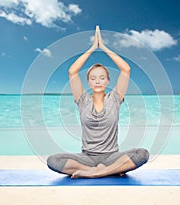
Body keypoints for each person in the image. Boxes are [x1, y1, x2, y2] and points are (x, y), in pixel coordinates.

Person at [47, 25, 149, 178]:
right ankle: (102, 171)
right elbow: (72, 71)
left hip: (111, 157)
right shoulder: (82, 100)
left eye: (102, 78)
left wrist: (104, 47)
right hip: (86, 158)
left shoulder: (115, 98)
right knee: (53, 160)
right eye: (93, 78)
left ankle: (98, 173)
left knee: (142, 154)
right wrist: (93, 47)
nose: (98, 81)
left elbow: (126, 69)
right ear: (88, 83)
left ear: (108, 81)